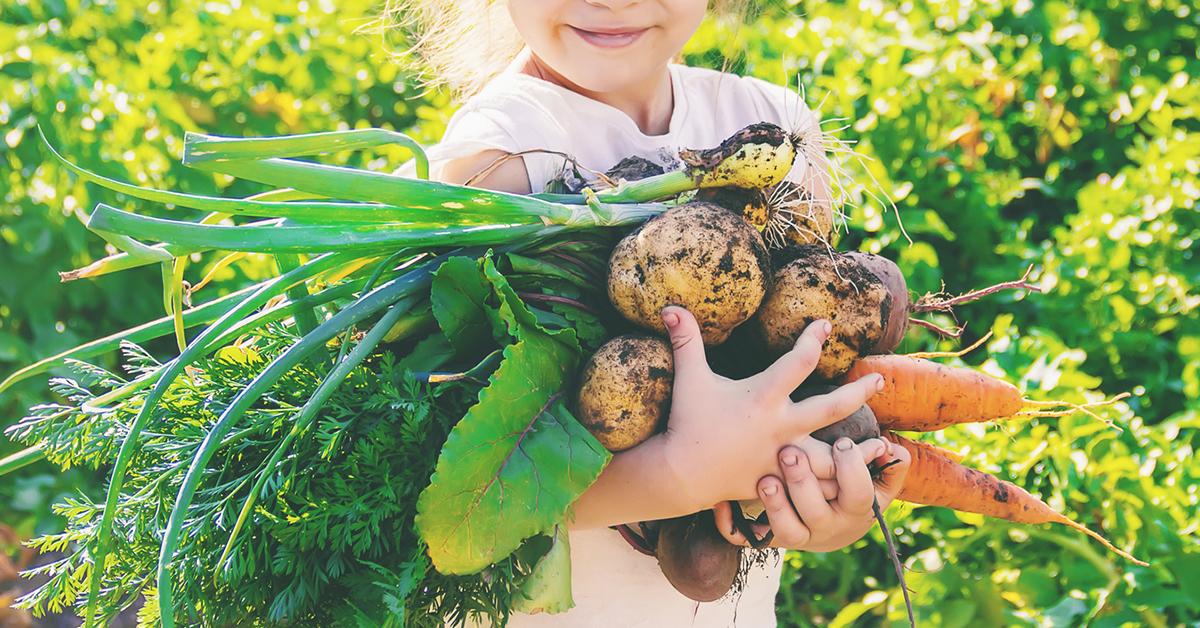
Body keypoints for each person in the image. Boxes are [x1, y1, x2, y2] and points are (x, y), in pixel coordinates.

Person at [390, 1, 912, 625]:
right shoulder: (495, 163)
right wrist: (680, 475)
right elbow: (456, 498)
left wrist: (826, 505)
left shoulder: (775, 127)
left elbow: (809, 368)